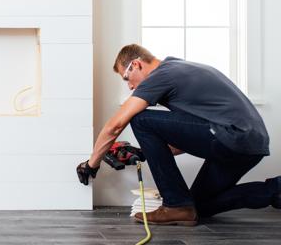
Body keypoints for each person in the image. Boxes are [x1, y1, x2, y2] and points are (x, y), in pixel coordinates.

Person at [76, 44, 280, 225]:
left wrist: (92, 164)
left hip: (232, 137)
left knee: (139, 118)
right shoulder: (182, 70)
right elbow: (193, 134)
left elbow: (115, 125)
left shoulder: (161, 75)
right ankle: (275, 189)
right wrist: (144, 152)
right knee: (197, 207)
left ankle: (174, 203)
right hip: (249, 144)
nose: (129, 86)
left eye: (127, 78)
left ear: (137, 64)